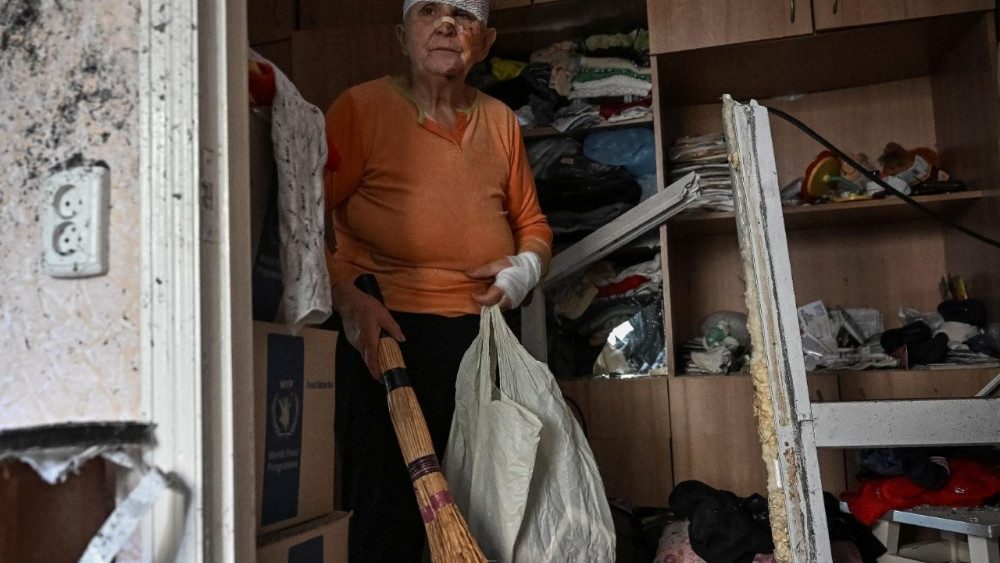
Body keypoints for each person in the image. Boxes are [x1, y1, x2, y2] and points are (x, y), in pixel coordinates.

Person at [322, 1, 553, 560]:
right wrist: (347, 300)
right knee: (387, 515)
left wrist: (523, 270)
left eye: (464, 13)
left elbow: (533, 224)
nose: (447, 23)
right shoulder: (359, 109)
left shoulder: (500, 120)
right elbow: (303, 221)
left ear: (486, 41)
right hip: (386, 332)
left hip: (484, 337)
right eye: (429, 10)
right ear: (402, 35)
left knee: (492, 507)